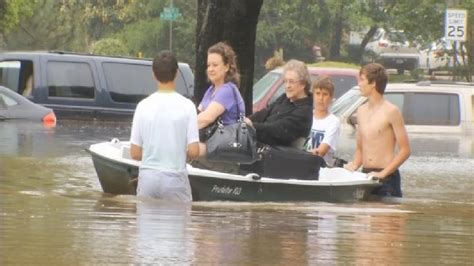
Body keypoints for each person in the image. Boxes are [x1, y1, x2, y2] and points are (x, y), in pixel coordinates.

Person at [130, 50, 199, 202]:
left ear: (153, 74)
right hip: (175, 178)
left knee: (147, 224)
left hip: (148, 178)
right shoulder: (188, 106)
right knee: (178, 224)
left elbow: (134, 153)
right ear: (176, 74)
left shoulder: (142, 106)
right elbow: (194, 151)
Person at [345, 63, 411, 197]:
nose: (359, 84)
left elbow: (405, 150)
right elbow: (360, 147)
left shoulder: (391, 111)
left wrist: (383, 173)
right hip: (365, 175)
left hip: (387, 178)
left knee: (383, 217)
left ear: (373, 83)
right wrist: (354, 165)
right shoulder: (360, 111)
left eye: (362, 80)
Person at [245, 59, 313, 147]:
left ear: (303, 84)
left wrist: (252, 126)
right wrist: (247, 120)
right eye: (285, 81)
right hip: (259, 147)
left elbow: (277, 129)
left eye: (291, 81)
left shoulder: (304, 112)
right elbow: (264, 113)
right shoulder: (284, 98)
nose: (287, 86)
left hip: (276, 155)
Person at [197, 42, 245, 155]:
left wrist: (180, 129)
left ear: (227, 67)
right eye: (208, 65)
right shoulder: (211, 90)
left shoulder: (228, 90)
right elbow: (198, 114)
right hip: (211, 141)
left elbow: (206, 118)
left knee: (184, 149)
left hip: (225, 147)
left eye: (215, 65)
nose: (210, 69)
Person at [304, 76, 340, 166]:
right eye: (318, 93)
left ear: (331, 97)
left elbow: (321, 151)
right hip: (302, 164)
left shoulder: (333, 121)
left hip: (321, 168)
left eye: (325, 94)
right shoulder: (305, 116)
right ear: (313, 95)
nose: (321, 98)